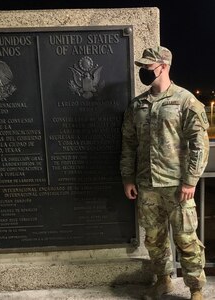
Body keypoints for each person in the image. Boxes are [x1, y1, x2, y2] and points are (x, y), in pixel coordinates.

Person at [120, 46, 209, 300]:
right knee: (154, 239)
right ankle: (164, 281)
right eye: (143, 67)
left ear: (163, 66)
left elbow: (199, 144)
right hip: (147, 185)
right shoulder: (137, 105)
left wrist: (190, 180)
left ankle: (196, 289)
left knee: (187, 240)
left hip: (177, 186)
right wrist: (128, 177)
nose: (144, 71)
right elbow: (128, 143)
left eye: (148, 67)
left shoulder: (185, 100)